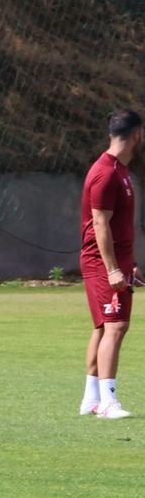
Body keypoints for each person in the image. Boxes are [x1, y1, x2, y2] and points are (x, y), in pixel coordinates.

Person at [78, 109, 143, 419]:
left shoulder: (120, 170)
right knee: (115, 326)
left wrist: (128, 263)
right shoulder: (105, 172)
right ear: (136, 135)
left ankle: (90, 398)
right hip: (101, 263)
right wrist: (113, 268)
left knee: (105, 327)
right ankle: (107, 402)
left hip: (117, 261)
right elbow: (100, 224)